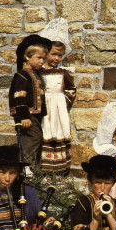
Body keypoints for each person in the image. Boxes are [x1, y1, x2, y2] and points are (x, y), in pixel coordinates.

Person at [38, 18, 77, 174]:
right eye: (54, 54)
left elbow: (71, 89)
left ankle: (59, 172)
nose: (56, 58)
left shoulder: (63, 73)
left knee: (58, 137)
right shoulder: (39, 72)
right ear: (46, 53)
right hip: (43, 111)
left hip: (57, 112)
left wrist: (61, 102)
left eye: (60, 56)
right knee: (42, 135)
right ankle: (43, 172)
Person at [9, 34, 52, 172]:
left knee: (37, 139)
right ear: (27, 56)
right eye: (39, 58)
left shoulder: (35, 75)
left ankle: (35, 169)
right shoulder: (22, 75)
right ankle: (27, 169)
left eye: (43, 59)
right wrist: (23, 116)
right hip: (27, 116)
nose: (42, 62)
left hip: (35, 116)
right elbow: (19, 96)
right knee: (31, 139)